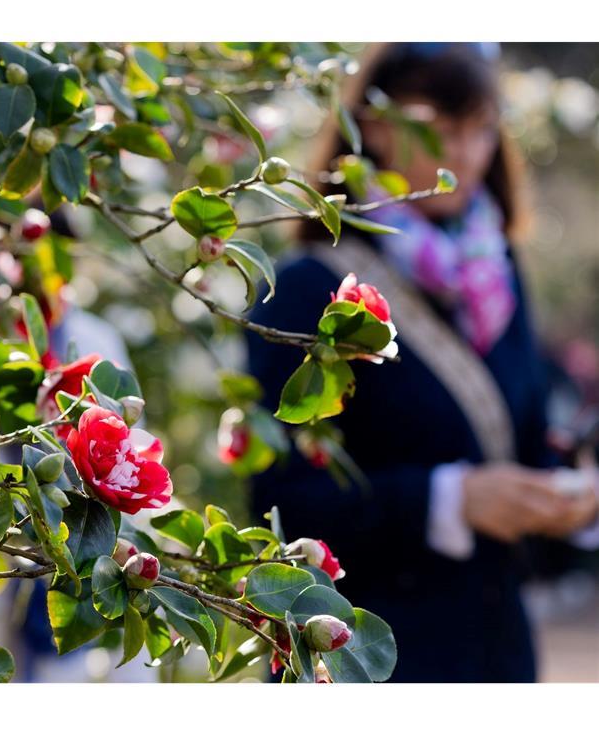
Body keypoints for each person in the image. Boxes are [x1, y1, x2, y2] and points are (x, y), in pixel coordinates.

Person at [244, 42, 599, 682]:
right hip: (364, 656)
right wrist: (449, 500)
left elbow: (520, 440)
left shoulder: (500, 272)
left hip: (498, 653)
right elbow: (277, 505)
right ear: (374, 126)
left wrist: (566, 495)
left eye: (482, 129)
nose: (464, 153)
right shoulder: (304, 286)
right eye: (439, 130)